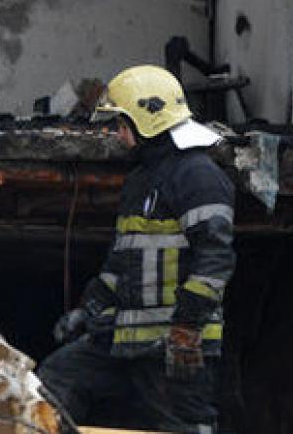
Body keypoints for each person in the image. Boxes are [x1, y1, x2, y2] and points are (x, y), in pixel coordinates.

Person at [37, 65, 235, 433]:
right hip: (123, 338)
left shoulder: (197, 176)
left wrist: (187, 326)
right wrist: (90, 307)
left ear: (146, 121)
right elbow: (121, 261)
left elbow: (215, 260)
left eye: (121, 125)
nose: (118, 135)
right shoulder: (142, 181)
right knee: (54, 382)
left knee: (182, 427)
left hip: (174, 345)